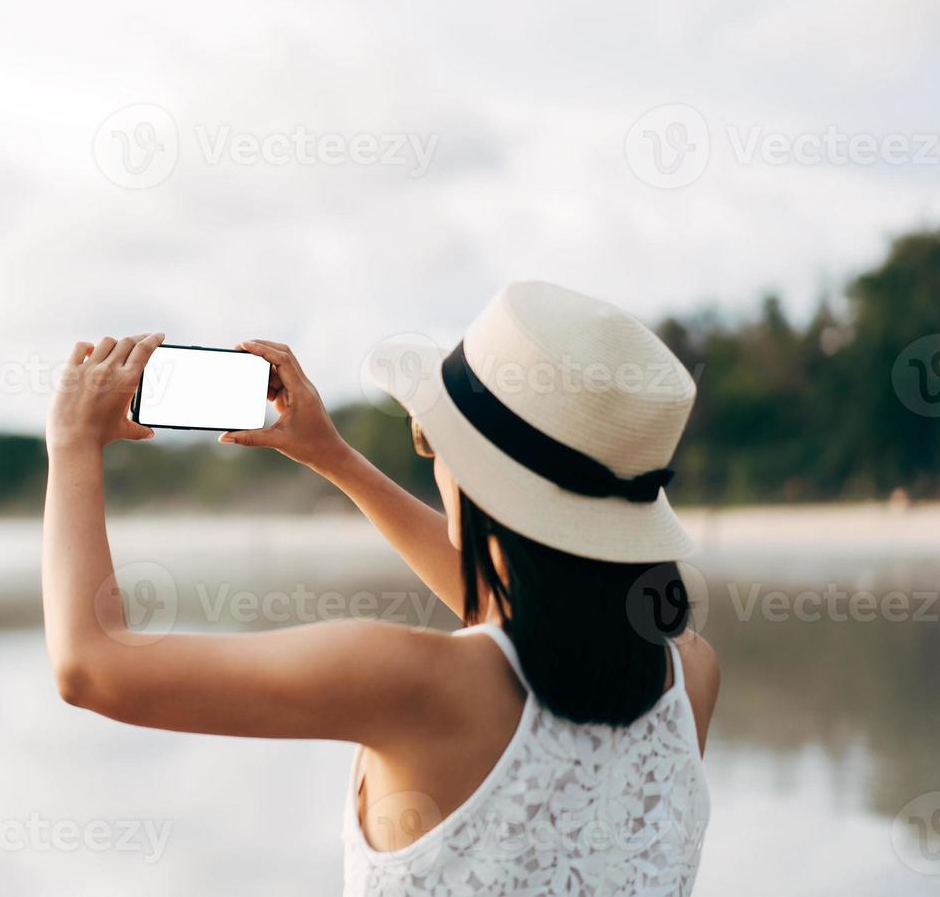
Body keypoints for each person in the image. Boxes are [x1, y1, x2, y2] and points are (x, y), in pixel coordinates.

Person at [41, 281, 719, 896]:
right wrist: (334, 457)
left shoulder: (414, 685)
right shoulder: (689, 676)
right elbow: (536, 610)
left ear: (480, 482)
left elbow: (93, 666)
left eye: (431, 441)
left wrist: (72, 446)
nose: (432, 461)